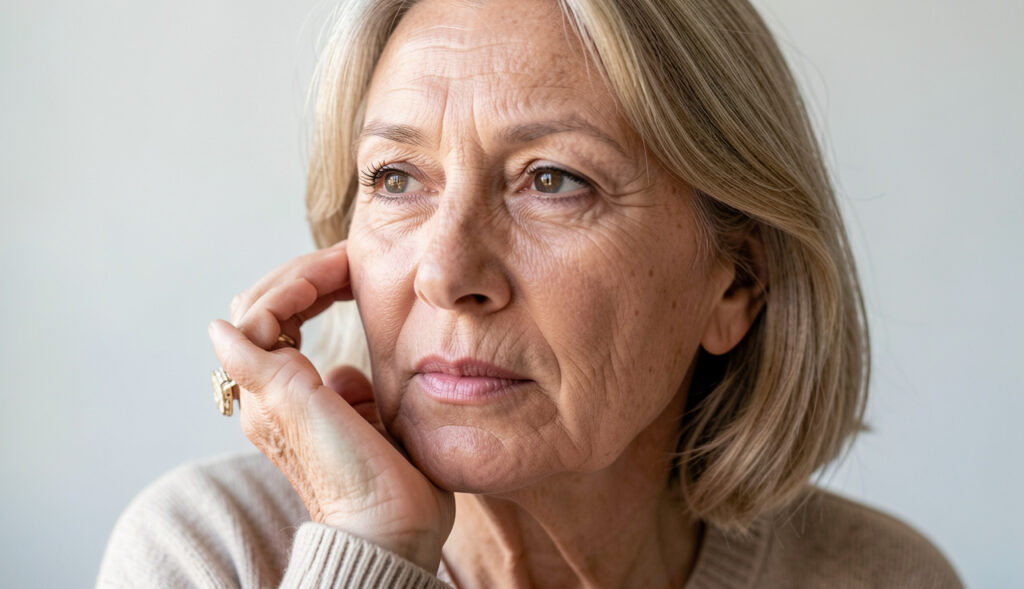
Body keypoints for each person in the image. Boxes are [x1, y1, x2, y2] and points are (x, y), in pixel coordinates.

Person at [98, 0, 963, 587]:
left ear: (734, 281)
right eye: (396, 177)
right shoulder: (211, 551)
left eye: (553, 180)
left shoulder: (879, 575)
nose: (446, 273)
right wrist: (368, 548)